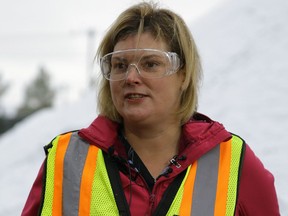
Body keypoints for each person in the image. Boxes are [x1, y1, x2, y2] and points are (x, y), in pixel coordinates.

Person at [22, 2, 280, 215]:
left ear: (184, 75)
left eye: (150, 64)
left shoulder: (234, 162)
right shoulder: (67, 160)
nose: (131, 77)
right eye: (120, 65)